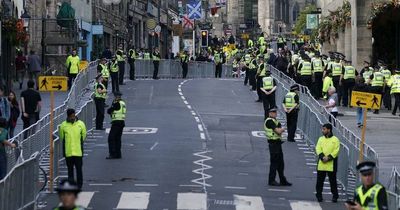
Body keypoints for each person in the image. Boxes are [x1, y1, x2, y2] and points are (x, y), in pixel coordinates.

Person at [59, 109, 87, 189]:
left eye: (73, 115)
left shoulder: (80, 124)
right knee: (70, 170)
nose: (73, 117)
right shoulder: (63, 125)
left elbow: (84, 135)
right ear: (68, 116)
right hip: (69, 152)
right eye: (71, 116)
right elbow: (62, 137)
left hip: (78, 151)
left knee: (79, 170)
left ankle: (79, 185)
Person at [265, 108, 292, 186]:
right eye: (273, 112)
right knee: (274, 163)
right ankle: (271, 180)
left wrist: (280, 130)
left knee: (281, 163)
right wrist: (282, 129)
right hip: (273, 144)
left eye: (275, 112)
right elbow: (278, 131)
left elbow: (279, 131)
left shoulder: (276, 121)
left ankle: (282, 180)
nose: (275, 113)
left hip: (278, 144)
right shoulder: (269, 121)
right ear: (269, 113)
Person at [315, 123, 340, 203]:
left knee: (333, 181)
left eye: (324, 129)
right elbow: (318, 148)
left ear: (329, 130)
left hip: (331, 164)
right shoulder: (320, 139)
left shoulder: (335, 139)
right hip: (321, 164)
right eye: (322, 129)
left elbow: (336, 151)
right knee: (319, 181)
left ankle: (335, 196)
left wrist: (328, 157)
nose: (323, 131)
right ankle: (319, 195)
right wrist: (322, 157)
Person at [106, 92, 126, 159]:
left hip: (116, 122)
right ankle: (118, 154)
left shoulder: (117, 103)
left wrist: (112, 105)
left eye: (115, 96)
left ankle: (112, 153)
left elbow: (109, 111)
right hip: (122, 122)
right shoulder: (123, 103)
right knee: (118, 139)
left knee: (111, 138)